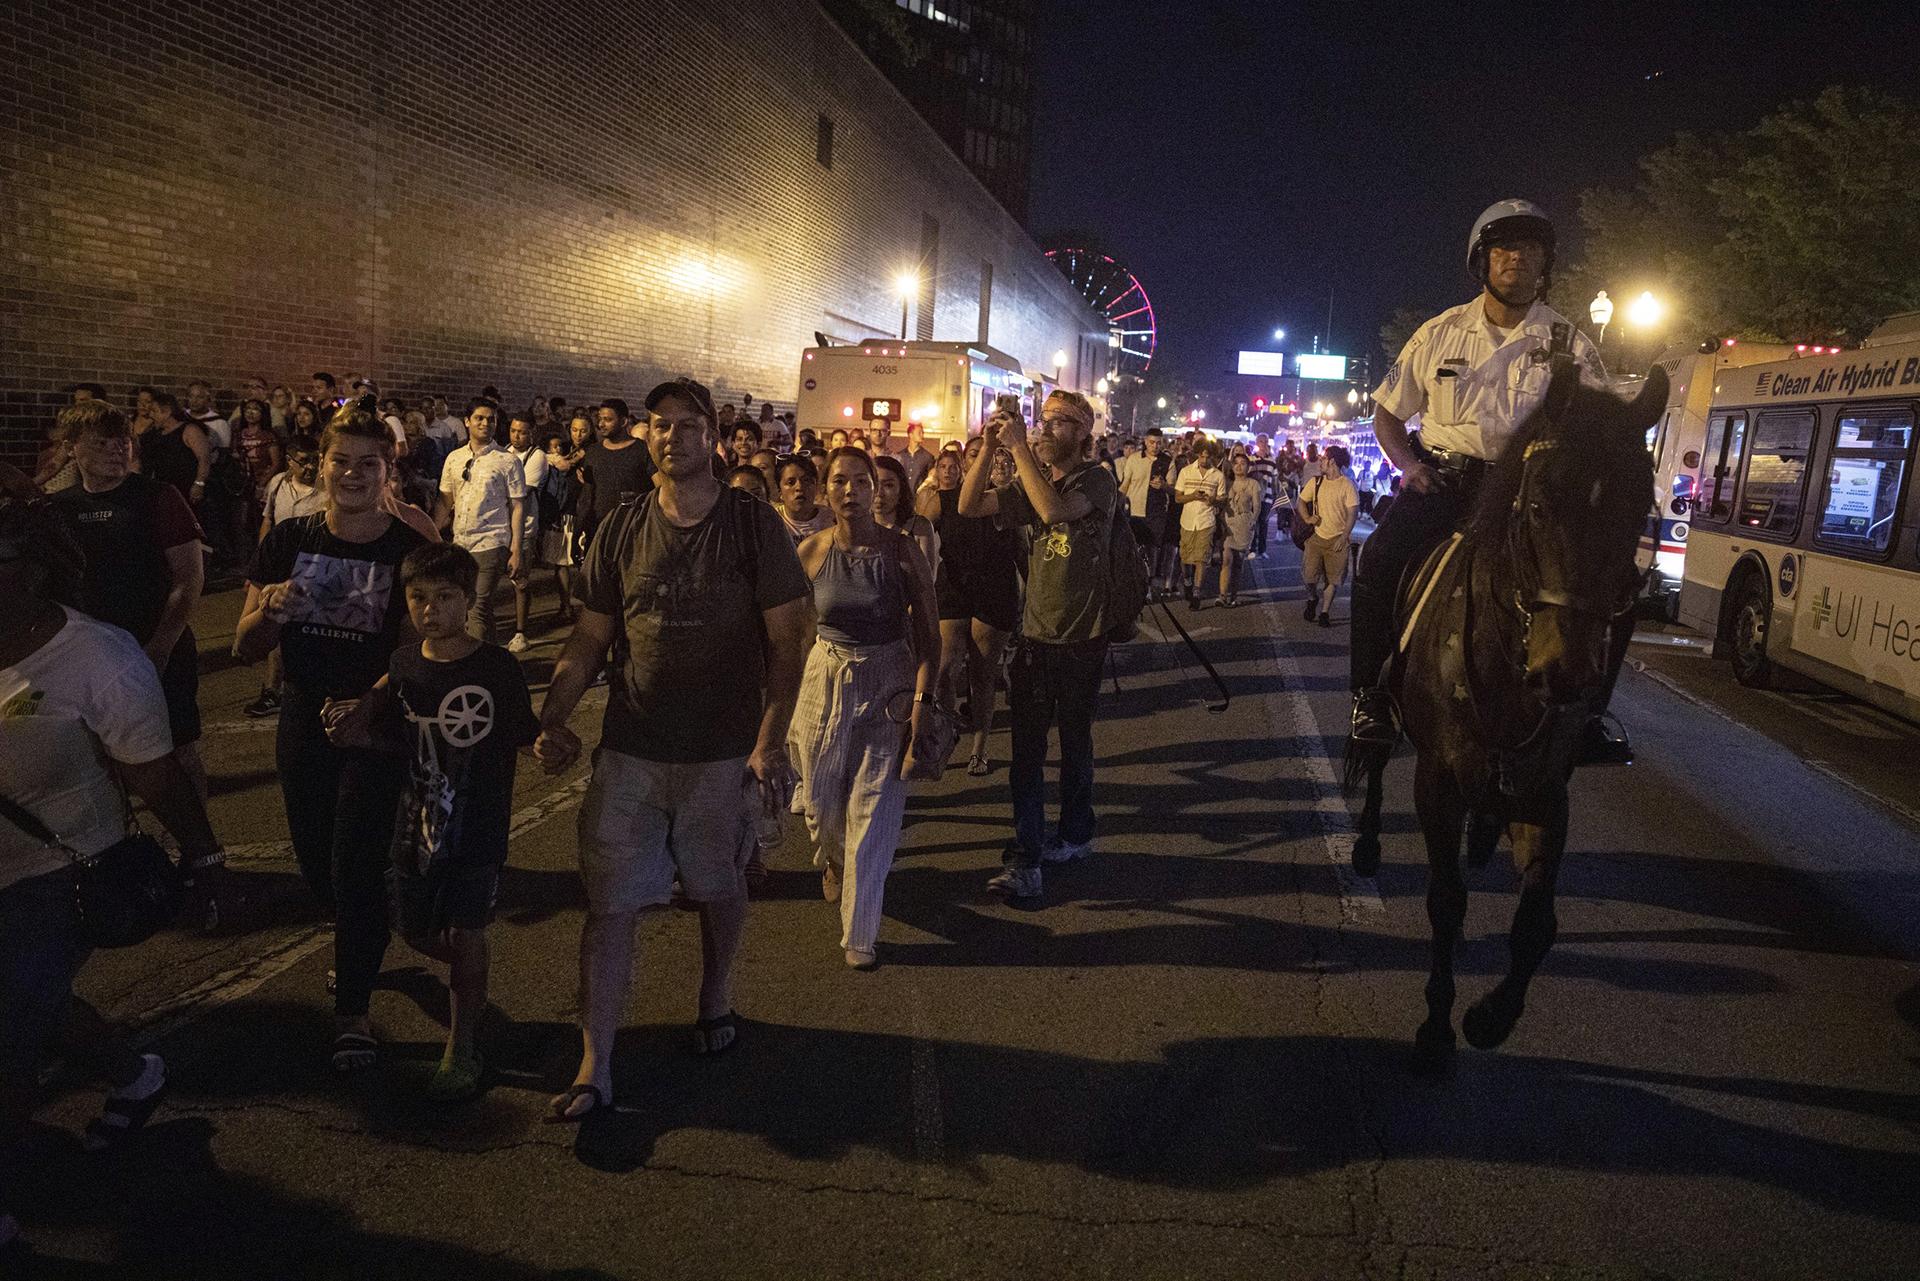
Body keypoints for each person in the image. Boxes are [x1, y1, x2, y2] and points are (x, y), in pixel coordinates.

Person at [534, 377, 811, 1120]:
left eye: (687, 425)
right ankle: (596, 1061)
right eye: (660, 424)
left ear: (713, 435)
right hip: (633, 745)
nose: (671, 436)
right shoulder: (623, 527)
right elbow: (590, 634)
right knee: (611, 902)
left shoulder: (753, 526)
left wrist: (769, 738)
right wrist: (553, 714)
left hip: (723, 753)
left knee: (717, 885)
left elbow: (789, 641)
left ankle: (715, 994)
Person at [0, 489, 229, 1255]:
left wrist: (204, 857)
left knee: (8, 1031)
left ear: (31, 575)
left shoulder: (98, 657)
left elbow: (155, 777)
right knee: (37, 1003)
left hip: (62, 872)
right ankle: (136, 1072)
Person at [1348, 198, 1626, 764]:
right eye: (1504, 248)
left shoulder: (1571, 344)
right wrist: (1409, 467)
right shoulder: (1438, 334)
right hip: (1447, 486)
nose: (1517, 259)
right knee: (1377, 559)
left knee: (1617, 587)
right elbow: (1388, 413)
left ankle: (1589, 716)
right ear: (1482, 260)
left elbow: (1603, 429)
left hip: (1533, 495)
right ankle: (1370, 697)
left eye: (1530, 249)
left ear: (1545, 263)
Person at [237, 404, 430, 1071]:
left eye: (367, 463)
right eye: (340, 461)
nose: (352, 474)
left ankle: (352, 1009)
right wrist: (270, 609)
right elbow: (244, 642)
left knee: (354, 861)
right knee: (317, 860)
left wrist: (371, 703)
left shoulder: (407, 550)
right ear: (320, 465)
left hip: (376, 723)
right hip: (302, 713)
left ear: (389, 469)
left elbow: (416, 652)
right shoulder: (288, 541)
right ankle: (366, 930)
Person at [323, 543, 539, 1101]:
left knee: (465, 931)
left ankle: (462, 1045)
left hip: (477, 824)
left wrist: (551, 743)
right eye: (419, 597)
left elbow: (524, 731)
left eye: (445, 597)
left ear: (468, 601)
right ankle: (473, 975)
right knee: (412, 928)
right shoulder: (402, 665)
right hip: (414, 824)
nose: (430, 609)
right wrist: (353, 726)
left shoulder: (496, 668)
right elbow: (388, 735)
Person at [958, 391, 1118, 900]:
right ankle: (1025, 858)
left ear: (1083, 432)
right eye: (1042, 420)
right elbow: (967, 505)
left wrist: (1021, 448)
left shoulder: (1095, 479)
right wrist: (988, 447)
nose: (1045, 429)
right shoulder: (1032, 479)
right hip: (1033, 637)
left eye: (1058, 422)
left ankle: (1076, 831)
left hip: (1081, 638)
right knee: (1026, 752)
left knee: (1075, 744)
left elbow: (1052, 514)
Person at [791, 449, 939, 968]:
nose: (850, 490)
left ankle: (860, 933)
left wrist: (921, 704)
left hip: (888, 680)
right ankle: (832, 860)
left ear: (876, 490)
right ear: (825, 492)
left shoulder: (902, 552)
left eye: (862, 481)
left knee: (873, 808)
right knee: (820, 804)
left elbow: (928, 637)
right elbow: (791, 634)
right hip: (823, 679)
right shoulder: (810, 552)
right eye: (840, 481)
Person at [49, 402, 211, 799]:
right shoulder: (59, 508)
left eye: (122, 440)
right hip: (89, 654)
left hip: (154, 644)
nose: (116, 450)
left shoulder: (158, 496)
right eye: (101, 442)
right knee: (100, 753)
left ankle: (201, 851)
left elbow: (189, 580)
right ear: (71, 447)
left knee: (177, 748)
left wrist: (159, 648)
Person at [922, 439, 1021, 776]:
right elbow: (913, 537)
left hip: (995, 591)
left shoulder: (1008, 503)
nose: (984, 462)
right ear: (965, 463)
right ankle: (947, 733)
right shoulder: (944, 500)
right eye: (976, 456)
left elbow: (1023, 552)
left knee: (982, 673)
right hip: (952, 589)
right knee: (943, 669)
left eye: (990, 456)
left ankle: (979, 748)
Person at [436, 398, 527, 647]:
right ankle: (492, 660)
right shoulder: (454, 458)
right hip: (461, 542)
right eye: (479, 418)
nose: (485, 423)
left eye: (491, 419)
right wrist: (433, 536)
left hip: (492, 541)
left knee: (477, 604)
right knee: (470, 607)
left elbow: (518, 506)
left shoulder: (507, 461)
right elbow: (445, 501)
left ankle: (474, 668)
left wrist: (516, 550)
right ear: (467, 421)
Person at [576, 398, 655, 546]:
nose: (601, 424)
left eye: (607, 420)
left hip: (632, 534)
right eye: (600, 419)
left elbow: (659, 489)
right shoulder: (593, 452)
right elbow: (587, 496)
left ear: (624, 421)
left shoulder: (642, 451)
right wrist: (578, 531)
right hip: (597, 532)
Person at [543, 412, 594, 622]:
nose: (578, 434)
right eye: (574, 429)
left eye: (583, 430)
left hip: (582, 513)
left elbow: (565, 465)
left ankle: (590, 609)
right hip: (562, 512)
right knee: (560, 562)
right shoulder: (566, 448)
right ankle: (565, 606)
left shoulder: (591, 451)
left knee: (584, 564)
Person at [1301, 444, 1360, 626]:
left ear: (1332, 461)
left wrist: (1344, 536)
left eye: (1324, 459)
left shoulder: (1348, 485)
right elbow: (1301, 502)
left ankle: (1325, 612)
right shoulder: (1316, 482)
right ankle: (1312, 599)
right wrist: (1308, 518)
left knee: (1332, 579)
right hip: (1317, 537)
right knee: (1309, 577)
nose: (1320, 461)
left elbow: (1353, 513)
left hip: (1337, 539)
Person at [504, 412, 548, 652]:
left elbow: (523, 492)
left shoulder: (537, 456)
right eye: (513, 431)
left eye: (522, 432)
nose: (516, 436)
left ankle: (521, 631)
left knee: (520, 579)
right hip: (501, 526)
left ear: (532, 433)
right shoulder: (503, 452)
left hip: (526, 526)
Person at [1117, 427, 1174, 589]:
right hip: (1135, 511)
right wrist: (1118, 503)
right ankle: (1132, 581)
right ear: (1145, 442)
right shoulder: (1134, 459)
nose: (1155, 446)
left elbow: (1174, 489)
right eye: (1151, 442)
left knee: (1152, 548)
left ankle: (1148, 583)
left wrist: (1163, 486)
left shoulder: (1167, 462)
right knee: (1133, 547)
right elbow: (1126, 484)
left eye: (1158, 443)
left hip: (1156, 512)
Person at [1173, 441, 1225, 610]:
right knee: (1185, 559)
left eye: (1207, 455)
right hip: (1187, 521)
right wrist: (1193, 496)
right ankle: (1187, 580)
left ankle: (1196, 593)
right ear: (1196, 454)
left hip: (1206, 521)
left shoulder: (1218, 475)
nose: (1204, 458)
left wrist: (1213, 500)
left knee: (1201, 558)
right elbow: (1178, 497)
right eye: (1201, 455)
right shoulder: (1186, 472)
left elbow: (1222, 500)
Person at [137, 392, 211, 508]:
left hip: (185, 489)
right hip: (164, 490)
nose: (151, 415)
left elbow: (204, 458)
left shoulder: (189, 430)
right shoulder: (154, 434)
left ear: (167, 411)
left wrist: (199, 483)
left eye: (154, 411)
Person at [871, 453, 937, 569]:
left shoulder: (918, 527)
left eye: (888, 485)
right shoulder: (860, 526)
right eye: (874, 484)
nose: (879, 493)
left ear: (901, 488)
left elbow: (928, 578)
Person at [1218, 451, 1260, 607]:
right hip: (1228, 525)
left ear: (1248, 467)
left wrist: (1253, 521)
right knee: (1226, 560)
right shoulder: (1227, 482)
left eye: (1243, 463)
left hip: (1244, 524)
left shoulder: (1253, 484)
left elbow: (1257, 506)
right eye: (1236, 463)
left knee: (1238, 563)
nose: (1239, 466)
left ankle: (1233, 595)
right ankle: (1222, 596)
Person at [776, 454, 834, 541]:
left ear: (816, 486)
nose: (799, 487)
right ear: (779, 490)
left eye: (806, 480)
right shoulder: (771, 521)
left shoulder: (832, 519)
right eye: (791, 482)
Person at [1247, 435, 1278, 559]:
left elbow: (1275, 478)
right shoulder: (1251, 459)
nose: (1264, 443)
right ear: (1257, 443)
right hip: (1254, 496)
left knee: (1264, 522)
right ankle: (1252, 548)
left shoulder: (1272, 460)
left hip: (1268, 496)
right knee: (1254, 522)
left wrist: (1276, 494)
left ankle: (1262, 550)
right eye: (1261, 441)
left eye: (1265, 441)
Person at [893, 420, 936, 491]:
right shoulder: (899, 456)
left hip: (919, 497)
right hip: (902, 496)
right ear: (911, 435)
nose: (922, 435)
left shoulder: (928, 457)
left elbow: (930, 478)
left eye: (923, 433)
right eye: (919, 433)